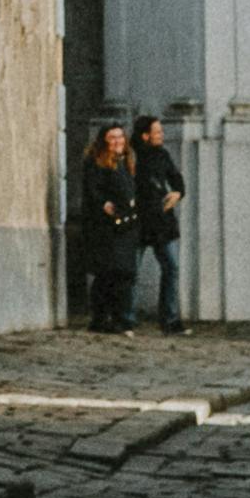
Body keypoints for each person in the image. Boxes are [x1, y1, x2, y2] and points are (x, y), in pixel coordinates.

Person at [125, 110, 191, 334]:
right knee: (131, 270)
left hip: (162, 220)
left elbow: (176, 178)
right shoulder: (131, 155)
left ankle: (170, 320)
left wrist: (178, 193)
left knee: (172, 267)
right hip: (139, 221)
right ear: (145, 135)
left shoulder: (162, 154)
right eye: (157, 132)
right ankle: (127, 318)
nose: (161, 135)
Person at [72, 115, 134, 331]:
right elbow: (94, 193)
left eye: (120, 137)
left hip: (123, 227)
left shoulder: (125, 163)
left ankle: (119, 318)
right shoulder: (95, 163)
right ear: (104, 141)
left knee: (121, 275)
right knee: (106, 275)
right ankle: (100, 319)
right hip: (104, 228)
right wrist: (107, 206)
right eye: (112, 138)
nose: (118, 141)